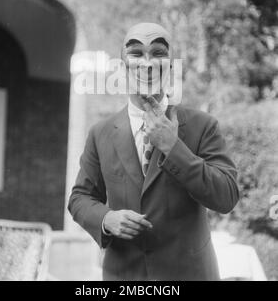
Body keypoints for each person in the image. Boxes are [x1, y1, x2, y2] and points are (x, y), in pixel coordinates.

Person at [68, 22, 239, 281]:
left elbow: (226, 197)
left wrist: (173, 147)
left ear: (171, 65)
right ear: (122, 65)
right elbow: (79, 198)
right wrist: (107, 218)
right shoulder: (100, 132)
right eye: (136, 53)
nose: (147, 63)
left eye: (158, 53)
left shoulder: (202, 126)